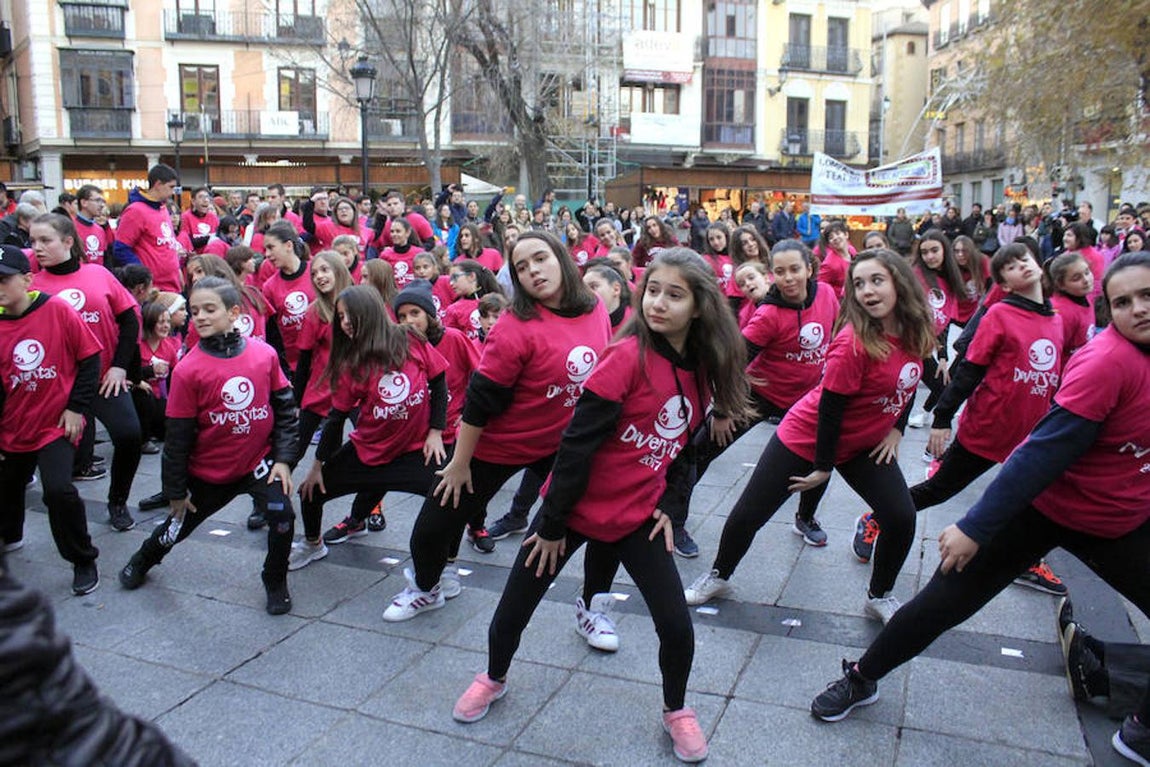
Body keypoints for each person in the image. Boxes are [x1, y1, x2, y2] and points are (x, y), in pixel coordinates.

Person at [809, 253, 1150, 767]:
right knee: (946, 598)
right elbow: (1041, 454)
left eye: (1146, 296)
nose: (1137, 310)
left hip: (1119, 518)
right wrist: (974, 525)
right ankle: (862, 677)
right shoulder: (1110, 363)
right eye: (1123, 301)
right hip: (1042, 505)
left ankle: (1140, 731)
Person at [452, 249, 751, 764]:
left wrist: (670, 504)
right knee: (513, 609)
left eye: (674, 295)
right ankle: (493, 677)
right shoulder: (625, 355)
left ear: (700, 306)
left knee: (676, 626)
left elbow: (687, 444)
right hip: (569, 509)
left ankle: (676, 710)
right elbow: (575, 446)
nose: (657, 303)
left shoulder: (705, 363)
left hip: (635, 515)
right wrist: (550, 526)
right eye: (652, 290)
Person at [684, 248, 937, 626]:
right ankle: (718, 575)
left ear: (900, 282)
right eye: (859, 283)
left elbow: (914, 379)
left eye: (876, 280)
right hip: (806, 436)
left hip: (863, 444)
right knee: (749, 514)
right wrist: (822, 466)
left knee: (901, 517)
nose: (867, 290)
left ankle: (879, 596)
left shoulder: (917, 333)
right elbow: (829, 411)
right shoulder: (852, 342)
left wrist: (899, 428)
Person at [387, 231, 611, 621]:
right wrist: (459, 463)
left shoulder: (594, 308)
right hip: (497, 445)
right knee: (432, 528)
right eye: (521, 267)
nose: (533, 271)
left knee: (607, 520)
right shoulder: (515, 325)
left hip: (562, 441)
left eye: (540, 259)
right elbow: (480, 401)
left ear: (561, 258)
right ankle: (426, 588)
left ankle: (593, 606)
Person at [851, 243, 1069, 595]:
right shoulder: (999, 314)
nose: (1022, 267)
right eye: (1010, 266)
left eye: (1025, 259)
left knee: (1033, 498)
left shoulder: (1055, 318)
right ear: (1004, 282)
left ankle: (1026, 560)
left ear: (1039, 265)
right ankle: (877, 516)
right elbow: (969, 370)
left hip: (1031, 432)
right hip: (987, 428)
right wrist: (943, 417)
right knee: (940, 489)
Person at [118, 277, 299, 615]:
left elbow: (286, 409)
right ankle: (145, 557)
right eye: (194, 310)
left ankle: (275, 579)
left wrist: (284, 459)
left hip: (258, 465)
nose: (199, 316)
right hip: (208, 474)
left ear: (233, 313)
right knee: (176, 527)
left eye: (209, 309)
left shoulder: (264, 355)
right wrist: (175, 488)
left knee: (283, 516)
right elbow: (177, 437)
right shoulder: (188, 369)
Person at [680, 239, 841, 553]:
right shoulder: (767, 315)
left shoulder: (827, 294)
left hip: (807, 398)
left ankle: (805, 518)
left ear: (810, 268)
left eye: (795, 269)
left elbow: (836, 334)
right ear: (772, 276)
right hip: (758, 396)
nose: (789, 278)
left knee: (821, 457)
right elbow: (733, 361)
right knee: (699, 452)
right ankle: (673, 520)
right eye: (780, 272)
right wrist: (724, 409)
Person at [289, 285, 451, 571]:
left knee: (450, 499)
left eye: (350, 315)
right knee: (309, 493)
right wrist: (316, 466)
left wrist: (436, 431)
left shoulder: (409, 338)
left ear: (371, 313)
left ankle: (444, 567)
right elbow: (335, 420)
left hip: (414, 453)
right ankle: (313, 545)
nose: (346, 322)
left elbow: (439, 381)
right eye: (340, 317)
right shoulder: (352, 364)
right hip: (368, 453)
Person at [29, 214, 142, 534]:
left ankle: (118, 501)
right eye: (33, 241)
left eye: (45, 240)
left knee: (130, 436)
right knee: (58, 460)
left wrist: (120, 366)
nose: (37, 248)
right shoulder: (32, 285)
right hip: (58, 386)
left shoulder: (99, 274)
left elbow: (130, 320)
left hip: (105, 378)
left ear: (67, 241)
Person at [0, 245, 103, 595]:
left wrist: (76, 407)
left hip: (54, 424)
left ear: (27, 279)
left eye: (4, 279)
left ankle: (82, 558)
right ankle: (10, 535)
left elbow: (90, 359)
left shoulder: (56, 310)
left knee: (59, 490)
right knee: (8, 486)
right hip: (12, 426)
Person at [905, 230, 965, 431]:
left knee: (941, 384)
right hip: (906, 342)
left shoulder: (950, 279)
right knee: (910, 387)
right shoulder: (916, 275)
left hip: (923, 344)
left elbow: (943, 321)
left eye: (934, 250)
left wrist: (942, 356)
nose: (929, 256)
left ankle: (920, 415)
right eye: (924, 252)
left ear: (944, 251)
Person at [113, 165, 183, 292]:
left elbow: (168, 245)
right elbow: (121, 249)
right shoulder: (135, 211)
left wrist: (177, 271)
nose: (173, 192)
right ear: (158, 184)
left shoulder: (162, 208)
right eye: (171, 187)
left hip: (172, 285)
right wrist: (143, 277)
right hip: (153, 290)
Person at [260, 220, 314, 375]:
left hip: (324, 360)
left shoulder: (316, 271)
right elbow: (271, 334)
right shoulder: (269, 287)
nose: (267, 254)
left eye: (271, 248)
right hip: (295, 367)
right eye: (265, 249)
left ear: (288, 245)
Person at [133, 301, 179, 455]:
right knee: (144, 396)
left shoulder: (168, 347)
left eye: (167, 321)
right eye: (161, 322)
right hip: (138, 395)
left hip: (160, 398)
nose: (166, 326)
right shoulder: (138, 346)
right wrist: (148, 372)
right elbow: (127, 372)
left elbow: (175, 375)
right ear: (150, 323)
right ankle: (143, 440)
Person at [442, 259, 502, 344]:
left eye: (455, 277)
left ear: (471, 276)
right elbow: (451, 342)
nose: (451, 283)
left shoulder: (498, 301)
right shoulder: (453, 310)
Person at [1048, 251, 1097, 355]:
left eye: (1087, 272)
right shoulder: (1062, 313)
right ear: (1061, 285)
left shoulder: (1085, 297)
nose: (1086, 280)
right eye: (1076, 278)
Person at [814, 220, 855, 299]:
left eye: (838, 233)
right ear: (829, 244)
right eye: (831, 237)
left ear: (846, 235)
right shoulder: (830, 264)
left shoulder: (852, 250)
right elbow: (820, 285)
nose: (835, 238)